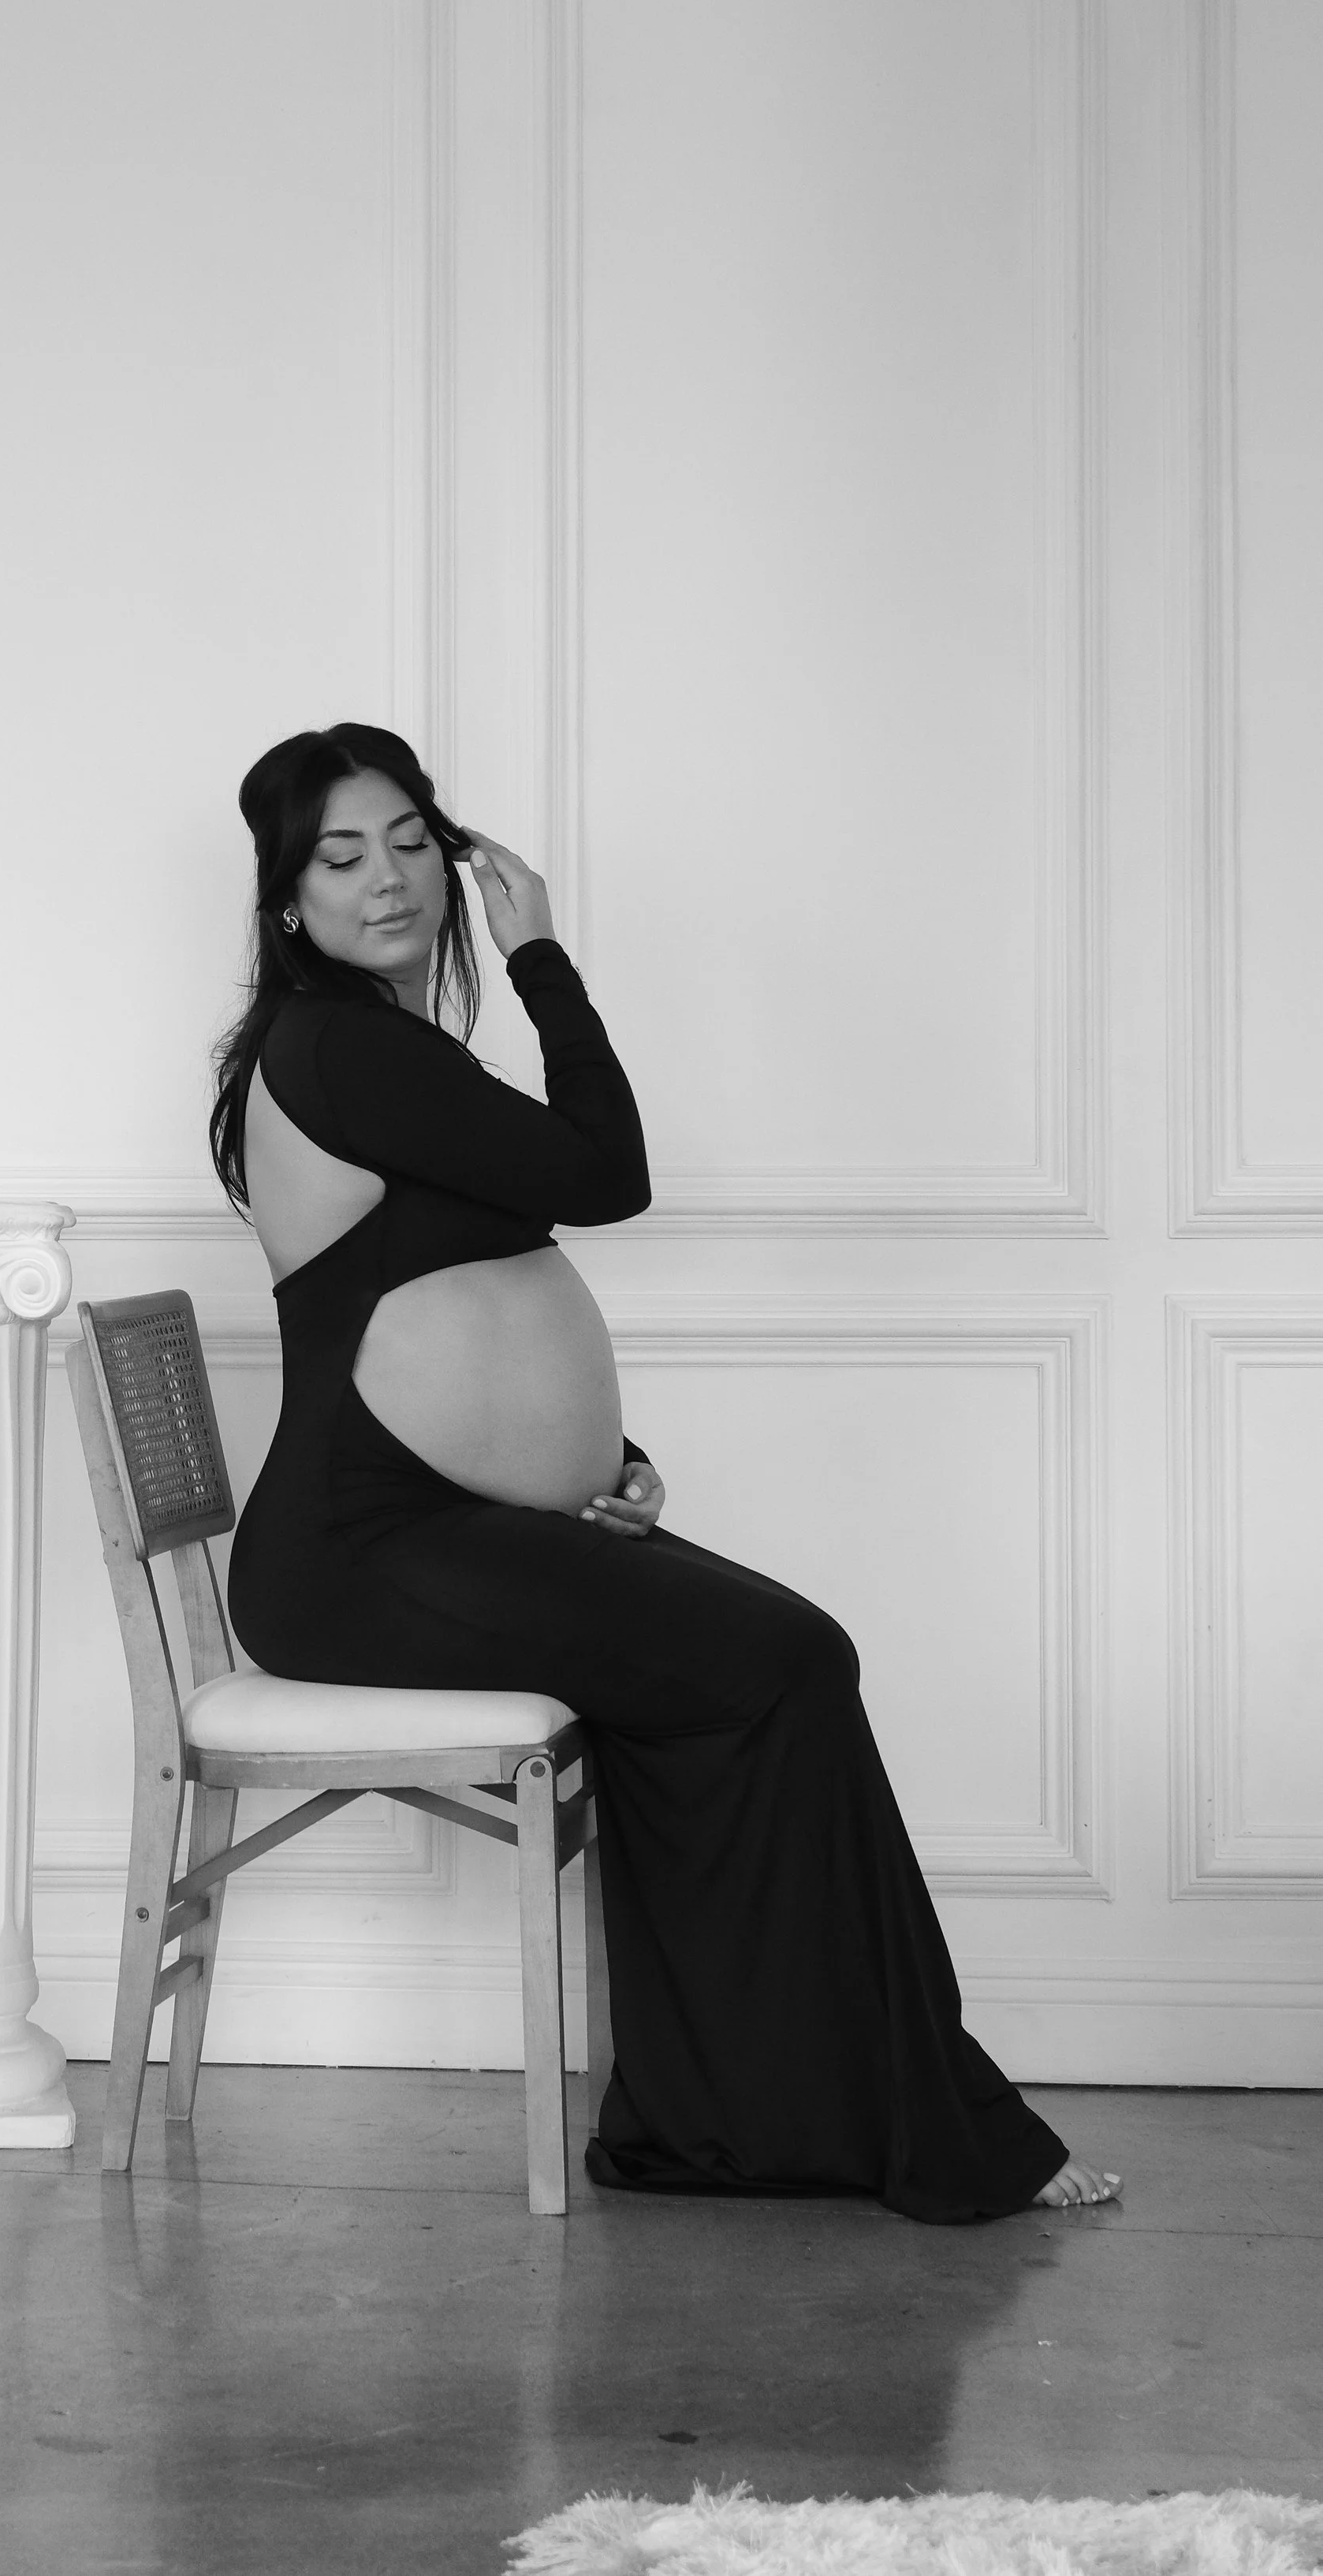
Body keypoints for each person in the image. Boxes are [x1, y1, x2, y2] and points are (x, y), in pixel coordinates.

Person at [210, 722, 1120, 2224]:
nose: (388, 880)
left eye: (412, 842)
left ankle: (724, 2121)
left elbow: (460, 1292)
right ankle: (890, 2121)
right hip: (357, 1553)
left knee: (754, 1676)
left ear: (453, 849)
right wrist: (544, 958)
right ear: (286, 898)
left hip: (436, 1526)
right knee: (786, 1657)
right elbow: (603, 1175)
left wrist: (592, 1452)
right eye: (341, 856)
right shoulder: (340, 1044)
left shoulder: (388, 1050)